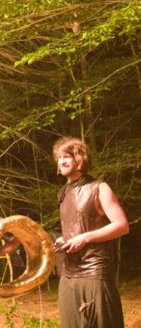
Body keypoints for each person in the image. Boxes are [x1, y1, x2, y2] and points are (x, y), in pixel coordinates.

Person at [53, 137, 129, 328]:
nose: (61, 161)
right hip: (68, 273)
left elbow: (122, 225)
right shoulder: (63, 192)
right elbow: (76, 226)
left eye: (66, 157)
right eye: (59, 157)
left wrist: (85, 237)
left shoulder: (99, 188)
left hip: (94, 272)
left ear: (79, 159)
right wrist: (64, 238)